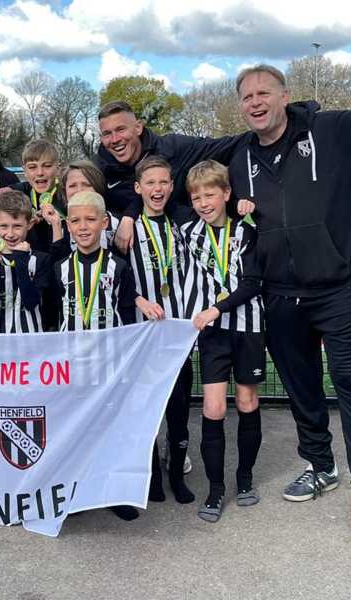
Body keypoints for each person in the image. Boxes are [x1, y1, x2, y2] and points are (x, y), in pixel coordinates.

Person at [227, 36, 351, 542]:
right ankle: (321, 465)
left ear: (284, 97)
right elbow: (192, 185)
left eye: (264, 93)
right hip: (281, 294)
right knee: (301, 385)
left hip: (342, 288)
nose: (256, 102)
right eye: (247, 96)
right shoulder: (238, 157)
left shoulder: (331, 130)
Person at [54, 190, 150, 521]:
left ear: (104, 222)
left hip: (110, 362)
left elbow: (127, 314)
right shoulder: (60, 268)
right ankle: (75, 490)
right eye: (76, 221)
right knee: (76, 426)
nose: (83, 227)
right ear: (68, 226)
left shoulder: (118, 266)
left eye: (90, 220)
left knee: (113, 425)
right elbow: (53, 316)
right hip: (73, 362)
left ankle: (113, 491)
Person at [183, 160, 264, 523]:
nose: (203, 203)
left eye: (210, 194)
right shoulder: (187, 233)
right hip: (212, 334)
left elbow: (252, 283)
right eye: (196, 197)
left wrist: (216, 308)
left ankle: (244, 479)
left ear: (227, 193)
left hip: (247, 327)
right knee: (213, 408)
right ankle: (215, 490)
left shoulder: (246, 231)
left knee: (247, 401)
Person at [126, 156, 195, 505]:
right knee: (146, 408)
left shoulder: (183, 224)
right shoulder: (124, 229)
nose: (157, 189)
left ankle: (176, 473)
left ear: (171, 186)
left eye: (163, 182)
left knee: (179, 407)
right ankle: (151, 474)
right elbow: (112, 275)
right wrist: (138, 299)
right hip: (142, 336)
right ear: (138, 188)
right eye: (150, 183)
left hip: (178, 335)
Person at [94, 101, 248, 253]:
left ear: (138, 127)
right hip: (135, 260)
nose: (115, 139)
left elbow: (231, 147)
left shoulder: (173, 148)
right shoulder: (98, 172)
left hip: (187, 254)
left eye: (121, 129)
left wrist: (238, 199)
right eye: (107, 134)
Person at [0, 190, 53, 333]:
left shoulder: (41, 260)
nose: (10, 233)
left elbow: (31, 303)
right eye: (4, 226)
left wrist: (21, 262)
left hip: (31, 339)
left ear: (30, 224)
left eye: (17, 226)